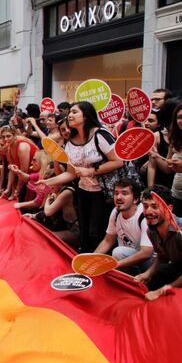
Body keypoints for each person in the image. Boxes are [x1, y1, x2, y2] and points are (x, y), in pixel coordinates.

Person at [40, 101, 126, 252]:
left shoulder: (100, 135)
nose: (70, 116)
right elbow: (70, 173)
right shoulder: (70, 142)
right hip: (83, 191)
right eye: (70, 113)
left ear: (85, 116)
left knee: (97, 232)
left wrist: (91, 171)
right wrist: (48, 181)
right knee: (84, 231)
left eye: (74, 112)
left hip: (103, 193)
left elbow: (118, 161)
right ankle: (84, 261)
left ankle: (100, 264)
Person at [92, 179, 154, 275]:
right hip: (129, 256)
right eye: (116, 193)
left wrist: (116, 264)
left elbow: (146, 252)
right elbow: (108, 241)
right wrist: (91, 260)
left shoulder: (144, 215)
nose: (119, 197)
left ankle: (136, 285)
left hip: (151, 262)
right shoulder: (116, 212)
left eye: (124, 193)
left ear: (135, 199)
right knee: (119, 253)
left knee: (118, 252)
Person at [134, 185, 182, 300]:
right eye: (145, 206)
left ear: (169, 209)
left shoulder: (180, 231)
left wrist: (164, 289)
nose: (148, 211)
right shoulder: (151, 231)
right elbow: (162, 256)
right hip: (178, 267)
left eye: (155, 207)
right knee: (156, 277)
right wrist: (147, 273)